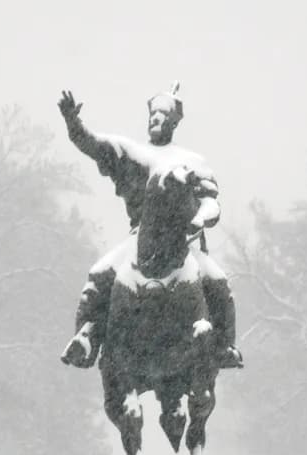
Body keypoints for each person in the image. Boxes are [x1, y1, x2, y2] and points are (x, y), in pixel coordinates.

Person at [57, 84, 243, 372]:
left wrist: (199, 220)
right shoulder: (131, 154)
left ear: (173, 122)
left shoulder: (193, 162)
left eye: (163, 116)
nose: (156, 120)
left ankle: (223, 347)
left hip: (185, 244)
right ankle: (87, 338)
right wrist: (73, 122)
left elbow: (212, 204)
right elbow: (91, 143)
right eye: (153, 115)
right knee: (98, 277)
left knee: (218, 284)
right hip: (138, 239)